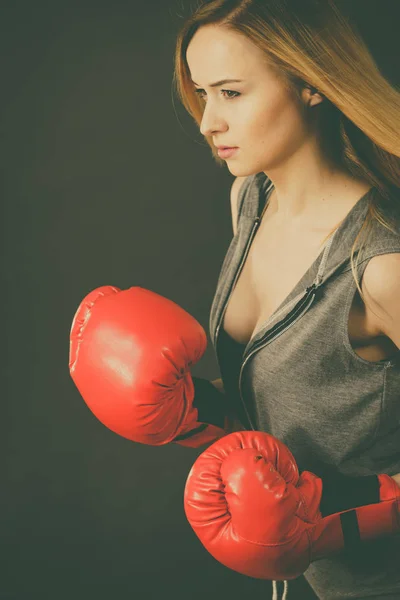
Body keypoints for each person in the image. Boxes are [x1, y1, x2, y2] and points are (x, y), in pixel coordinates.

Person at [172, 0, 400, 598]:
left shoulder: (381, 264)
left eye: (231, 93)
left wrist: (339, 521)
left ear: (310, 84)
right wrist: (182, 407)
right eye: (203, 94)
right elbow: (293, 391)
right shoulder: (250, 200)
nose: (207, 123)